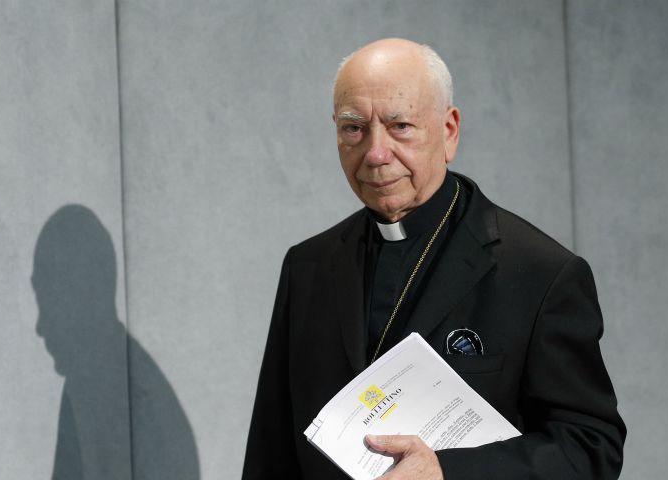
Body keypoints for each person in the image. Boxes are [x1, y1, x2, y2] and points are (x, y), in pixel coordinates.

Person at [243, 38, 625, 479]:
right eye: (353, 128)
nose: (375, 153)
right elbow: (271, 451)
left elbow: (590, 447)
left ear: (448, 131)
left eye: (400, 125)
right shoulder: (307, 266)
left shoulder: (540, 272)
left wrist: (447, 472)